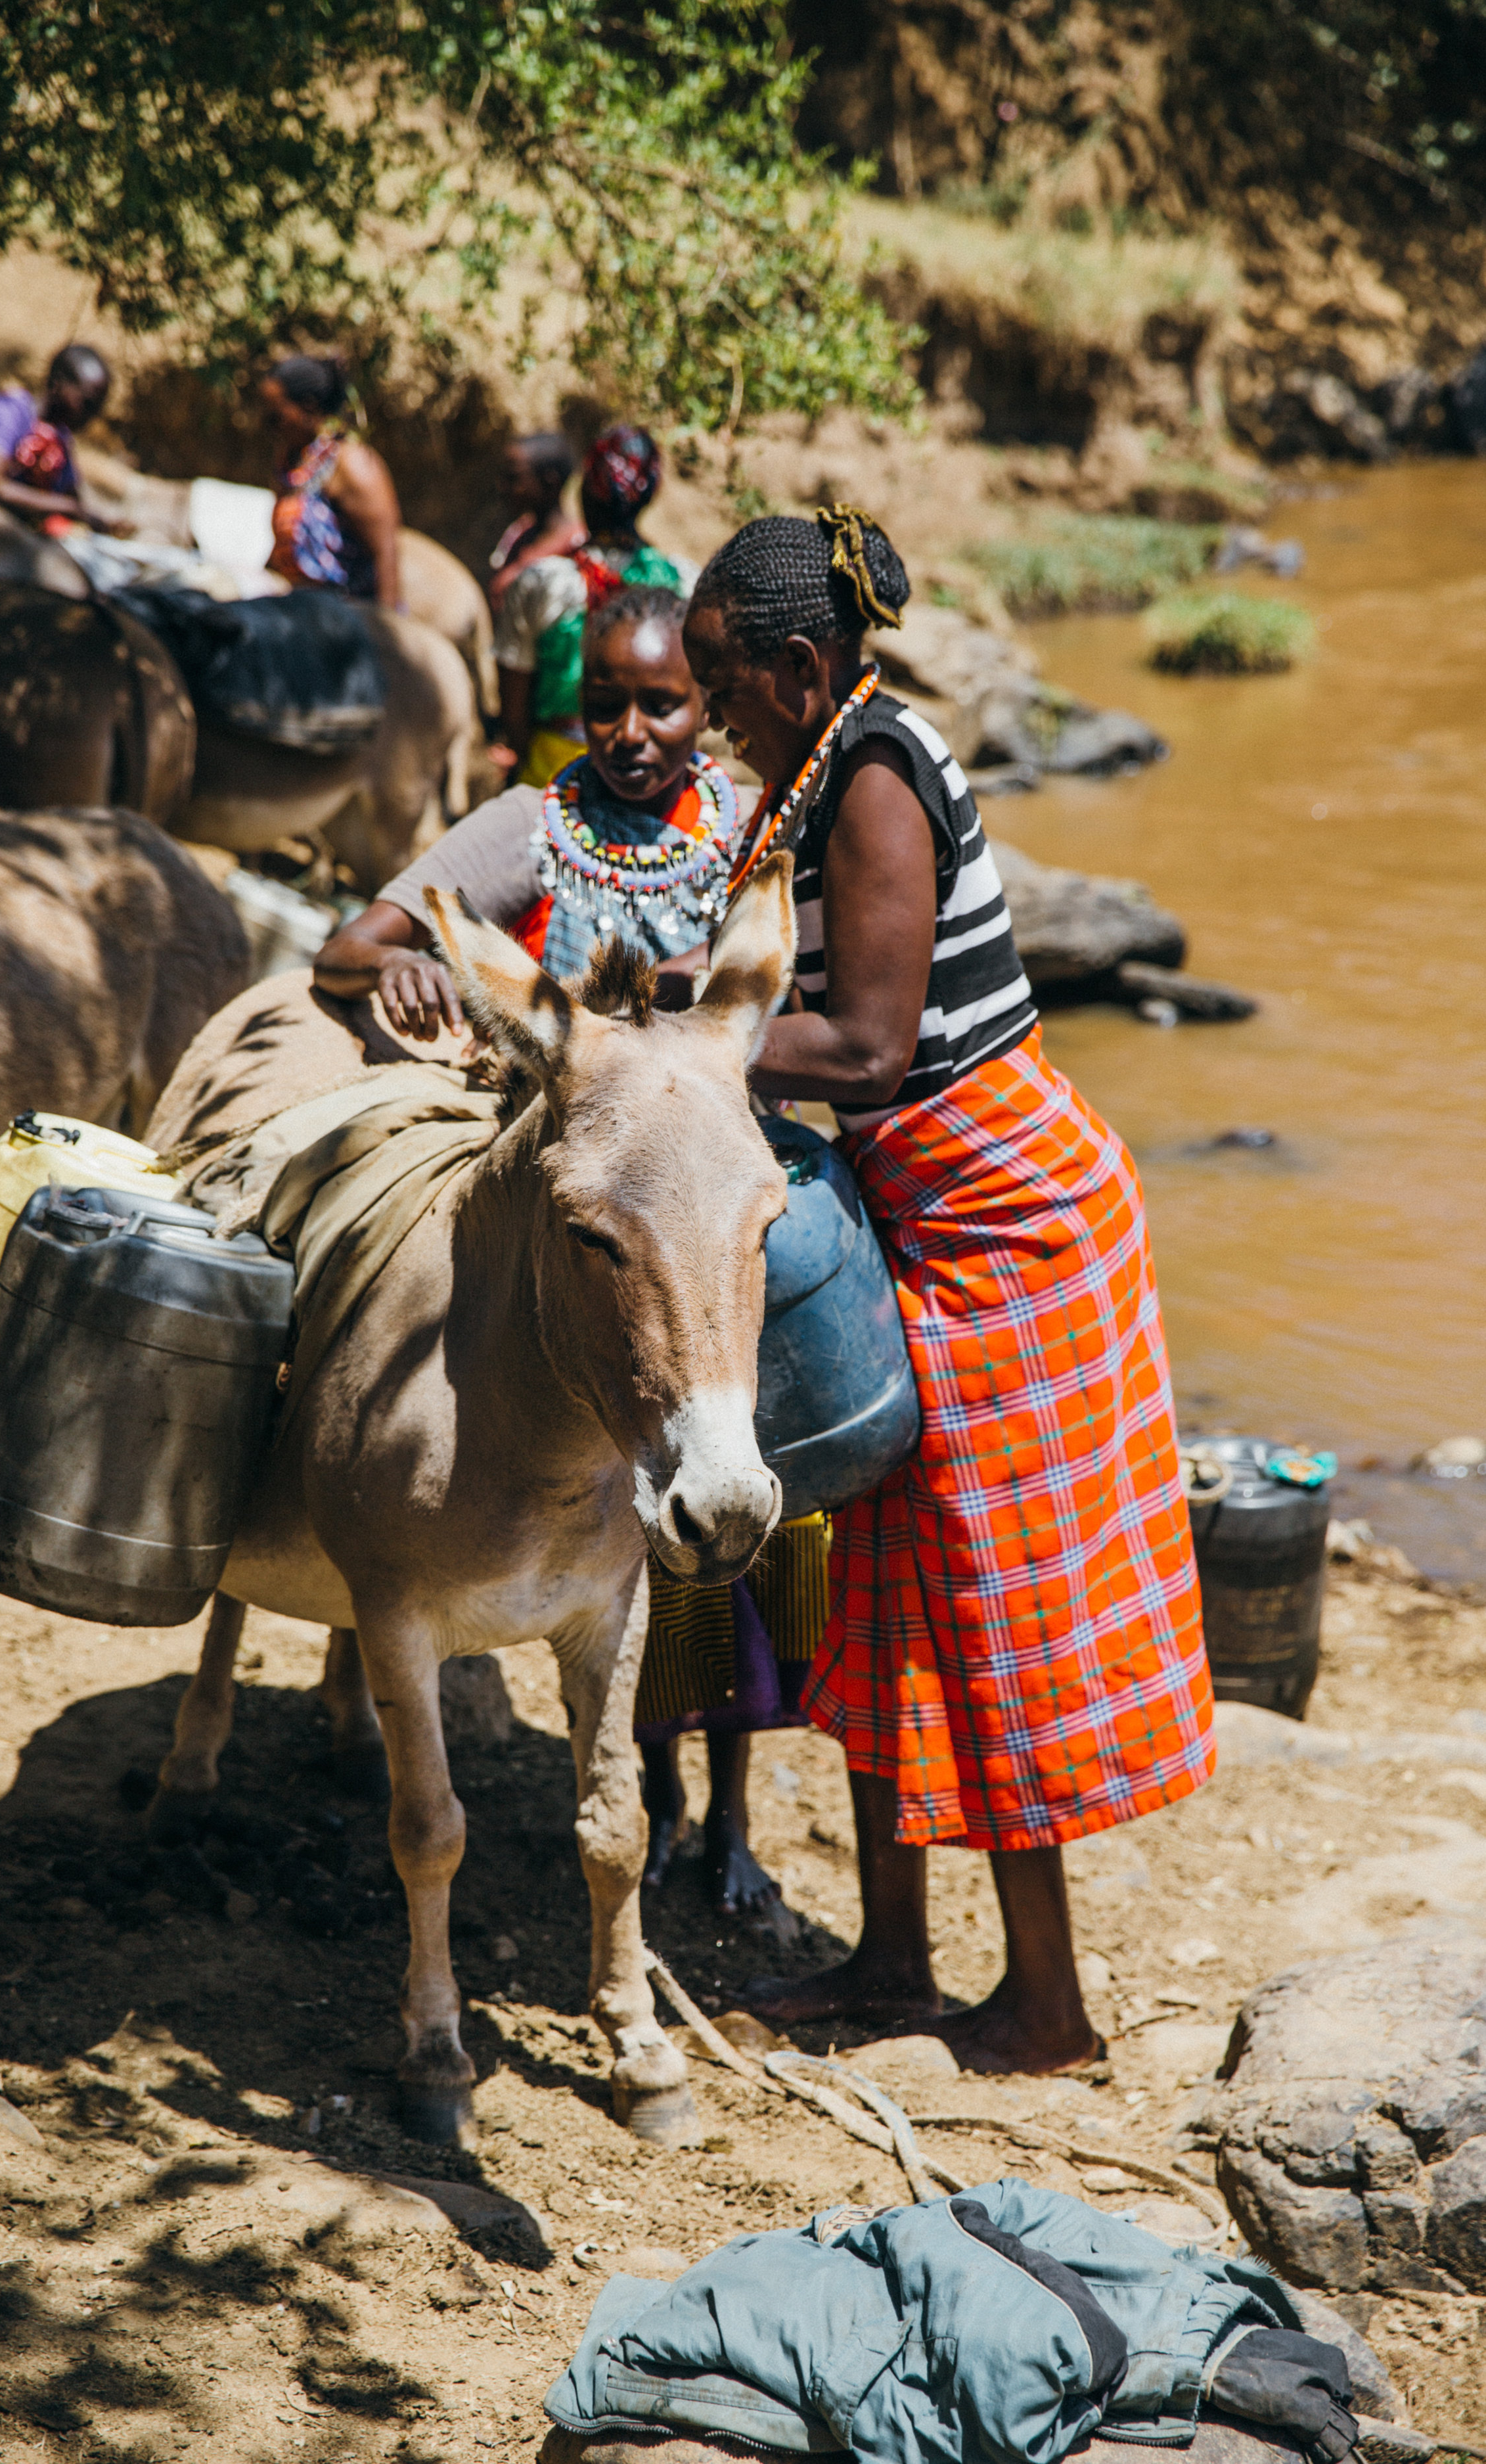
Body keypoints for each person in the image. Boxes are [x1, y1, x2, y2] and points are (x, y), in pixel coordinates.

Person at [681, 509, 1214, 2072]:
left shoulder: (872, 779)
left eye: (724, 683)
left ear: (798, 663)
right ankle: (897, 1961)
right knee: (881, 1585)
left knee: (996, 1597)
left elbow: (871, 1050)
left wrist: (669, 1018)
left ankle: (1045, 2002)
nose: (711, 712)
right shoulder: (824, 759)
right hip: (937, 1211)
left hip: (1013, 1224)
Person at [312, 587, 819, 1913]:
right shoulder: (531, 826)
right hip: (582, 1204)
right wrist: (405, 973)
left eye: (660, 704)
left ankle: (732, 1810)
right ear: (569, 711)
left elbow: (799, 999)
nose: (632, 731)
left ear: (704, 709)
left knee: (765, 1465)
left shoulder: (746, 827)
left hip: (708, 1204)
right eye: (604, 705)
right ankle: (640, 1795)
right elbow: (349, 946)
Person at [495, 425, 696, 790]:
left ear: (586, 491)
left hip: (553, 769)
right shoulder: (684, 581)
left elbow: (514, 698)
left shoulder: (542, 583)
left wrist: (521, 754)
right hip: (655, 770)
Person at [261, 355, 403, 610]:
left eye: (276, 418)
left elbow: (386, 554)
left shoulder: (351, 464)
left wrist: (384, 635)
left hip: (350, 620)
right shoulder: (290, 466)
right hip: (305, 611)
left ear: (308, 407)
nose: (270, 429)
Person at [0, 344, 122, 532]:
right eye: (87, 403)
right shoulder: (12, 410)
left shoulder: (59, 439)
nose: (91, 414)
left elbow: (73, 495)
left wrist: (103, 520)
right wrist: (71, 508)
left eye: (97, 408)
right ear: (58, 383)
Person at [487, 432, 583, 613]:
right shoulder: (519, 534)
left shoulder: (577, 548)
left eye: (514, 478)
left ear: (550, 483)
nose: (503, 487)